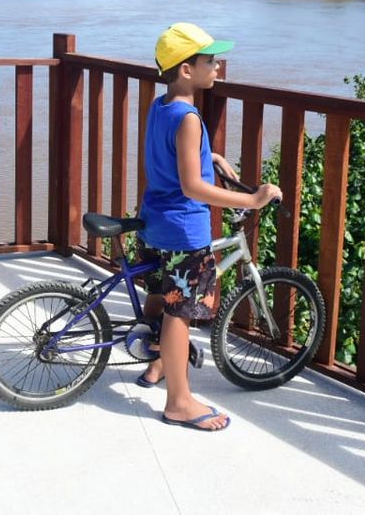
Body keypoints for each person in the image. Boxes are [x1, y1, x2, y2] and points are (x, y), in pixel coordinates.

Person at [135, 22, 281, 431]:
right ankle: (179, 402)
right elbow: (193, 187)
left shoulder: (162, 106)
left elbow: (174, 155)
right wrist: (252, 199)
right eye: (210, 60)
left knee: (160, 297)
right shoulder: (190, 118)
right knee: (179, 313)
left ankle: (156, 364)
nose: (218, 66)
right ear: (186, 69)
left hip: (154, 221)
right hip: (184, 229)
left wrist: (208, 155)